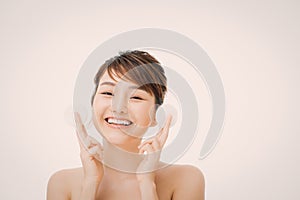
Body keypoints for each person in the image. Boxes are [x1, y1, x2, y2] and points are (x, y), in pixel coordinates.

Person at [47, 50, 205, 200]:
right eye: (108, 93)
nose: (118, 107)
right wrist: (90, 183)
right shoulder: (62, 183)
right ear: (92, 104)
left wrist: (147, 184)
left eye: (135, 97)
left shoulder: (186, 178)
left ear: (157, 115)